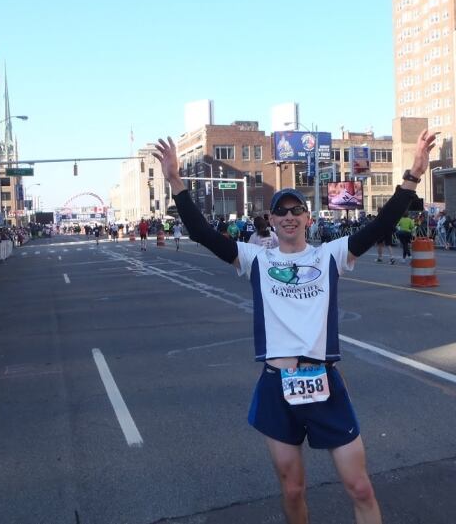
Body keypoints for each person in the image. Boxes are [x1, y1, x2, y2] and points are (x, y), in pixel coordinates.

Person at [152, 129, 436, 524]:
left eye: (295, 211)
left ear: (307, 217)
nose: (288, 217)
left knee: (360, 487)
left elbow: (380, 225)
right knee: (293, 489)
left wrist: (413, 175)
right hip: (276, 385)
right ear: (271, 220)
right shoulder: (255, 259)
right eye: (281, 212)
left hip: (324, 382)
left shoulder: (331, 255)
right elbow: (201, 233)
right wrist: (176, 182)